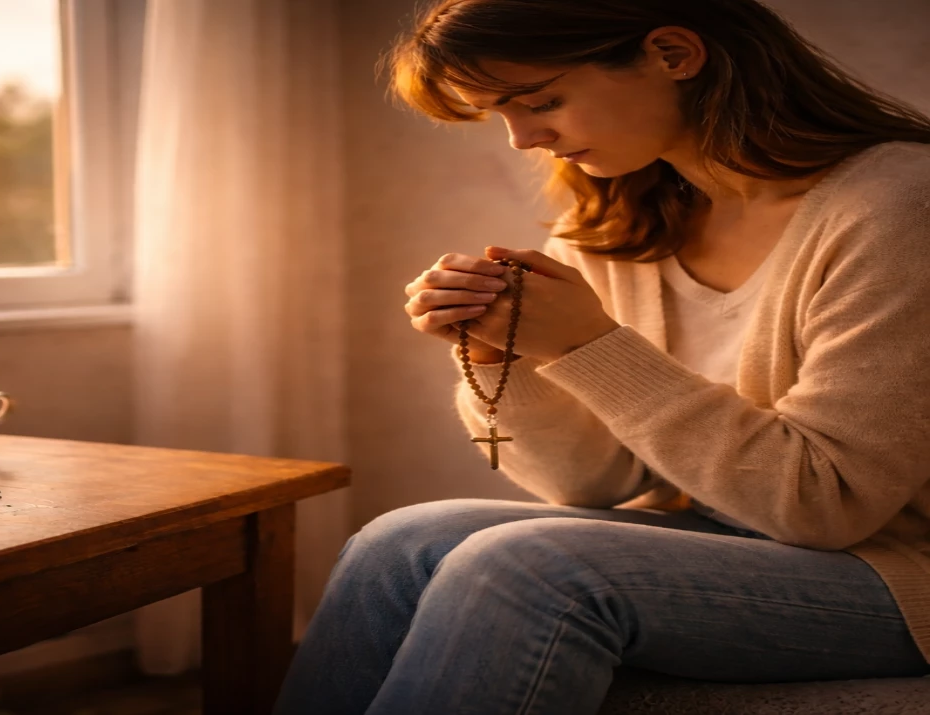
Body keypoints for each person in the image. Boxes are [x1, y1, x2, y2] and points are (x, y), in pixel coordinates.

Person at [271, 0, 930, 713]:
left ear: (674, 54)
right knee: (396, 543)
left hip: (894, 564)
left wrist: (589, 345)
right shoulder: (619, 222)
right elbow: (590, 484)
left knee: (531, 568)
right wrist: (506, 356)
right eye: (501, 114)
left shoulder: (897, 205)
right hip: (722, 535)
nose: (523, 138)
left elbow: (825, 506)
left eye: (541, 100)